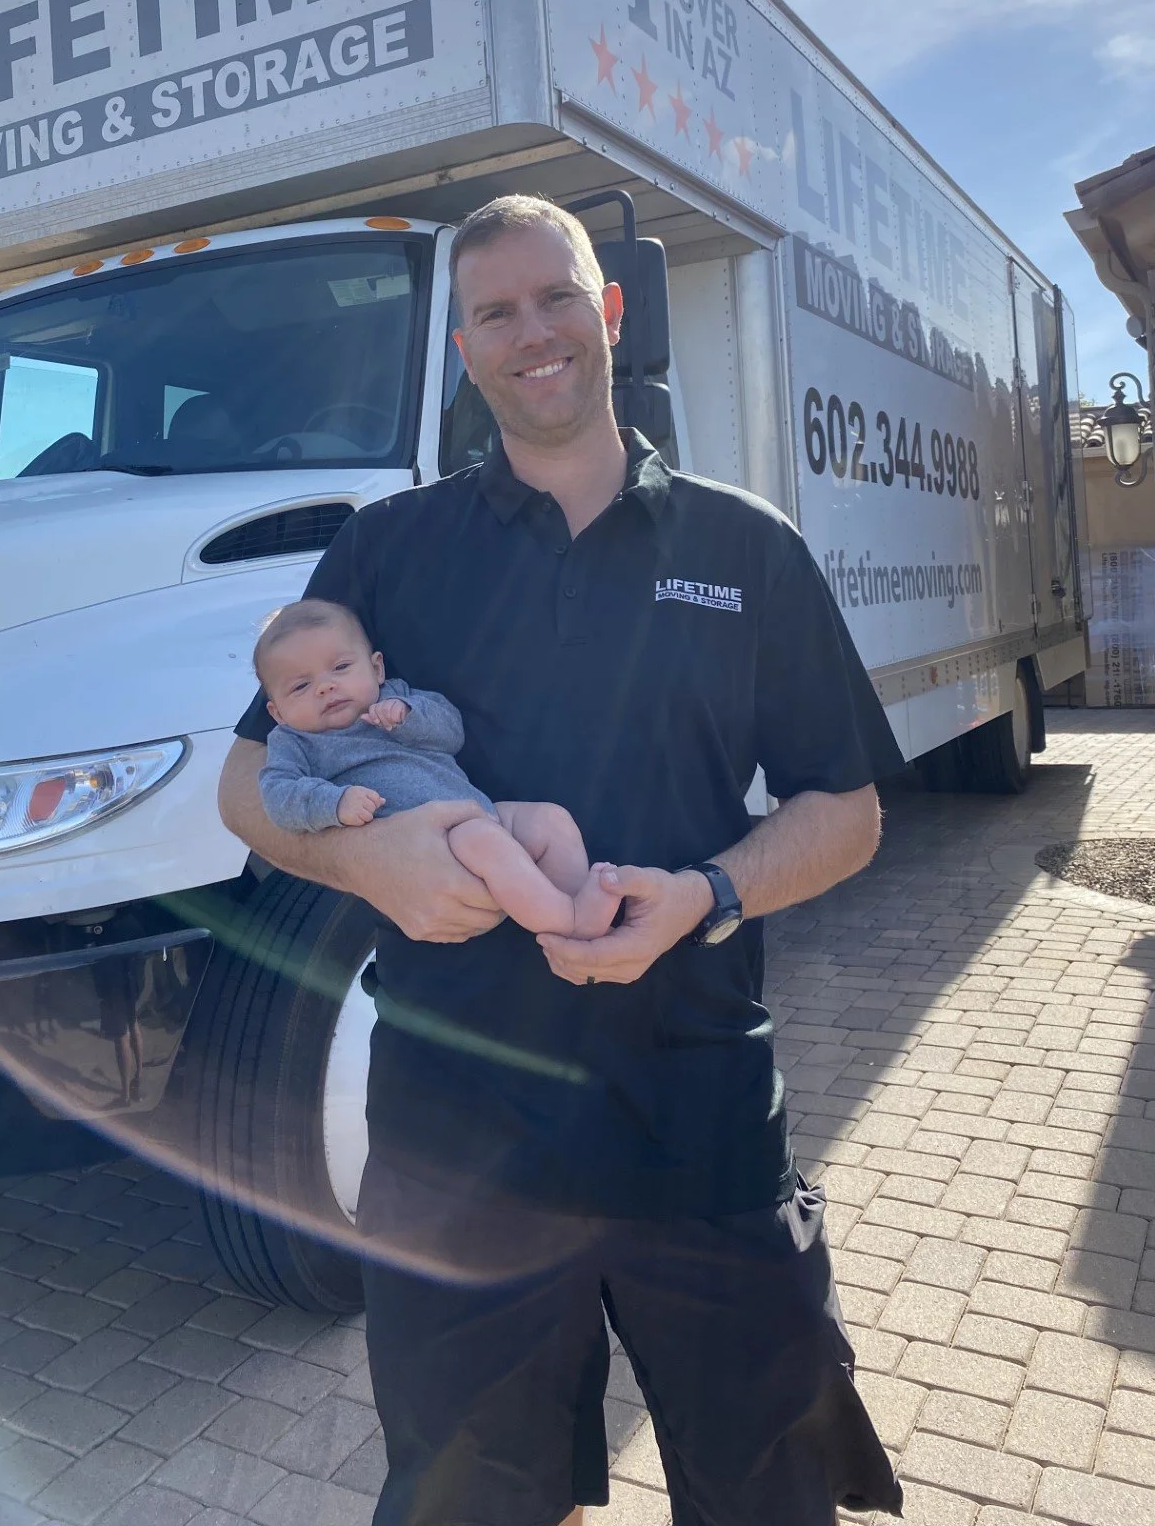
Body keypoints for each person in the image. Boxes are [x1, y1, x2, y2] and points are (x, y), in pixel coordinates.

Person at [219, 193, 905, 1526]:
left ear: (612, 314)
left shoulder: (743, 547)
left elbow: (850, 809)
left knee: (770, 1493)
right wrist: (376, 866)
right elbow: (249, 784)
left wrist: (709, 893)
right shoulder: (386, 551)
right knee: (476, 1501)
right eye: (494, 312)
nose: (531, 332)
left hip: (696, 1122)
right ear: (464, 351)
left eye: (555, 298)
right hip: (454, 1139)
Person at [255, 596, 620, 938]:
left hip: (480, 811)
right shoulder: (295, 743)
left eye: (340, 667)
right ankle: (571, 925)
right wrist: (333, 803)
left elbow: (452, 733)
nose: (326, 687)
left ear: (376, 668)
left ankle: (574, 898)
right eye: (301, 686)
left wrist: (409, 718)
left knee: (549, 820)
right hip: (434, 844)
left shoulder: (396, 698)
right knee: (484, 840)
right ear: (278, 713)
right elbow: (277, 796)